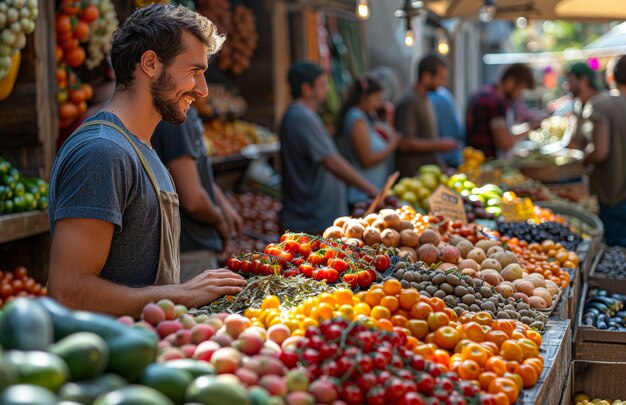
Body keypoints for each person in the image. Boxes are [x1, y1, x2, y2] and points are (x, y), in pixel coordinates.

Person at [47, 4, 246, 317]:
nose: (203, 90)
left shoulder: (139, 147)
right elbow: (68, 291)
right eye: (194, 72)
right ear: (150, 63)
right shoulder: (102, 152)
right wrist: (182, 293)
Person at [279, 61, 378, 235]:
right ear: (306, 89)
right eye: (322, 85)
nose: (327, 90)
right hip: (311, 221)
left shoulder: (303, 115)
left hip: (315, 218)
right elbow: (332, 161)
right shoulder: (301, 116)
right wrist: (372, 190)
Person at [151, 105, 244, 282]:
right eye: (196, 75)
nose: (204, 89)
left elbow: (198, 174)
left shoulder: (186, 113)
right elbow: (193, 200)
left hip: (192, 245)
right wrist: (219, 220)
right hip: (189, 247)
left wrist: (224, 206)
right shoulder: (176, 116)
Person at [335, 76, 399, 206]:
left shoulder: (364, 118)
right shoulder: (356, 118)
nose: (379, 104)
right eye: (377, 99)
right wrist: (391, 146)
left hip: (369, 194)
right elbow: (366, 159)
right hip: (361, 196)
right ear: (365, 97)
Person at [584, 55, 626, 246]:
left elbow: (600, 151)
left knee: (616, 257)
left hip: (614, 195)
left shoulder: (602, 105)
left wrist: (583, 160)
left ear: (611, 78)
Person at [395, 54, 459, 178]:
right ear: (426, 77)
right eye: (441, 78)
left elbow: (429, 142)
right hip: (413, 179)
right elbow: (405, 143)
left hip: (428, 177)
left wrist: (444, 170)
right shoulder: (411, 101)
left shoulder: (427, 99)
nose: (444, 83)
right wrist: (439, 144)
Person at [466, 63, 536, 159]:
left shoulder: (484, 92)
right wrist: (530, 128)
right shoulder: (496, 101)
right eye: (520, 90)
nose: (519, 95)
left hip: (475, 159)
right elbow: (504, 144)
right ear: (511, 83)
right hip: (487, 162)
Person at [566, 62, 608, 150]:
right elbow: (575, 142)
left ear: (584, 80)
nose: (567, 86)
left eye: (570, 81)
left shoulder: (603, 103)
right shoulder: (578, 105)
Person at [428, 86, 465, 167]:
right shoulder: (440, 97)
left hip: (448, 155)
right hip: (445, 157)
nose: (444, 82)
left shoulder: (442, 96)